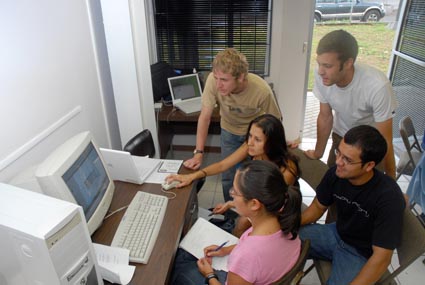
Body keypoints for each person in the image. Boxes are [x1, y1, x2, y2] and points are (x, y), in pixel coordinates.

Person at [300, 125, 405, 285]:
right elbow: (317, 208)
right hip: (335, 233)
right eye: (338, 153)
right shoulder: (336, 173)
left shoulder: (389, 197)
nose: (338, 162)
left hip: (360, 253)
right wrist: (286, 225)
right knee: (280, 240)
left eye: (347, 160)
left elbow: (382, 257)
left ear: (369, 165)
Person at [171, 160, 302, 285]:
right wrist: (226, 250)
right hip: (262, 272)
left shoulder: (246, 255)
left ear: (254, 204)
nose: (232, 194)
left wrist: (209, 275)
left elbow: (250, 256)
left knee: (179, 267)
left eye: (235, 192)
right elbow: (260, 252)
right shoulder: (285, 221)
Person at [166, 114, 300, 236]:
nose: (250, 142)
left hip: (274, 212)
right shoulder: (252, 147)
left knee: (241, 222)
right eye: (250, 136)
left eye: (257, 139)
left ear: (272, 143)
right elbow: (223, 165)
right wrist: (192, 176)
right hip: (257, 205)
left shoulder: (286, 170)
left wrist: (234, 207)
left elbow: (264, 207)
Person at [183, 48, 282, 201]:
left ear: (241, 77)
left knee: (251, 180)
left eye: (224, 80)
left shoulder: (262, 90)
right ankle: (229, 215)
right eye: (216, 78)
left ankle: (249, 218)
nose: (218, 84)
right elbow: (205, 117)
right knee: (228, 177)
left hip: (253, 136)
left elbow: (276, 123)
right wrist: (198, 153)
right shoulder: (213, 81)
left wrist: (270, 148)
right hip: (229, 131)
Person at [304, 29, 397, 179]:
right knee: (333, 186)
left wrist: (391, 179)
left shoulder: (377, 86)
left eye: (327, 66)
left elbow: (386, 139)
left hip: (369, 146)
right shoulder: (321, 75)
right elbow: (325, 116)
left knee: (366, 193)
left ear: (348, 63)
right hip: (341, 138)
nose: (320, 71)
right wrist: (317, 152)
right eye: (319, 64)